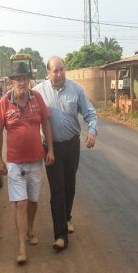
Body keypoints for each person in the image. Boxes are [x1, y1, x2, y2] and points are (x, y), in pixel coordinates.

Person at [33, 56, 98, 251]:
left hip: (71, 145)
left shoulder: (76, 89)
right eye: (55, 71)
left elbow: (90, 113)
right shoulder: (38, 92)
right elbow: (30, 118)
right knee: (57, 189)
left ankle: (67, 217)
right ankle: (60, 235)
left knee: (69, 185)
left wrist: (92, 132)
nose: (59, 74)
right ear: (48, 72)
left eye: (62, 70)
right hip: (50, 148)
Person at [0, 62, 55, 265]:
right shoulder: (4, 102)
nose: (22, 82)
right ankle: (21, 247)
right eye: (18, 79)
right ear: (12, 81)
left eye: (25, 79)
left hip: (36, 160)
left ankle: (30, 229)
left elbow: (46, 122)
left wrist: (51, 150)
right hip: (15, 163)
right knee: (20, 204)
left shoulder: (36, 98)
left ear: (29, 81)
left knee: (33, 201)